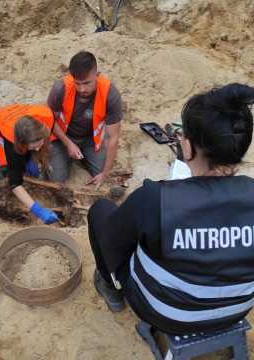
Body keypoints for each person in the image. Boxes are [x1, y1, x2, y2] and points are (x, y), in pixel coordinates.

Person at [87, 83, 254, 334]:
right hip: (233, 312)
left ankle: (110, 288)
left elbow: (112, 244)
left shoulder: (157, 199)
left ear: (187, 147)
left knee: (101, 211)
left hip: (166, 314)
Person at [47, 51, 123, 189]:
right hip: (62, 137)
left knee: (100, 172)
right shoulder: (61, 88)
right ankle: (67, 158)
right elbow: (50, 120)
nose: (82, 89)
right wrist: (68, 143)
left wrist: (104, 174)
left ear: (97, 75)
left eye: (87, 83)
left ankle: (81, 158)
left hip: (91, 139)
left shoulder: (110, 94)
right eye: (78, 83)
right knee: (56, 179)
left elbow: (113, 138)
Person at [0, 104, 59, 224]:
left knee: (30, 163)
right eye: (33, 147)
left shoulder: (43, 122)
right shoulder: (12, 146)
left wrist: (35, 155)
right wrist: (38, 211)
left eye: (39, 144)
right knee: (3, 171)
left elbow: (40, 145)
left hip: (15, 114)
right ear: (21, 144)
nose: (38, 149)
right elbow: (15, 184)